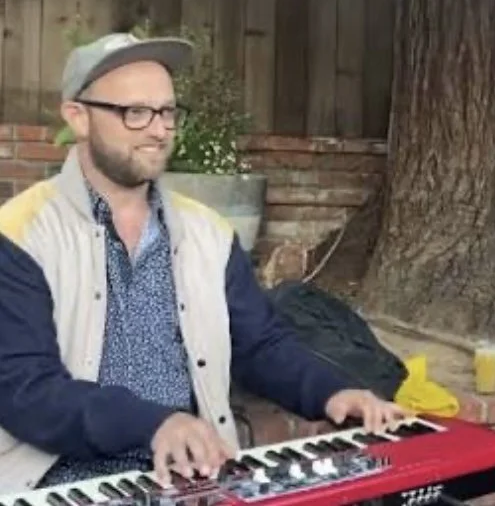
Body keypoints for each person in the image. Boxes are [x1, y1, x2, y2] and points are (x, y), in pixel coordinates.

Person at [0, 32, 408, 494]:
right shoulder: (19, 234)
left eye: (167, 112)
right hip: (61, 479)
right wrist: (153, 424)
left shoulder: (209, 233)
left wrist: (332, 391)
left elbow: (260, 344)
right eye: (135, 113)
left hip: (196, 474)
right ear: (78, 117)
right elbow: (25, 389)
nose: (159, 130)